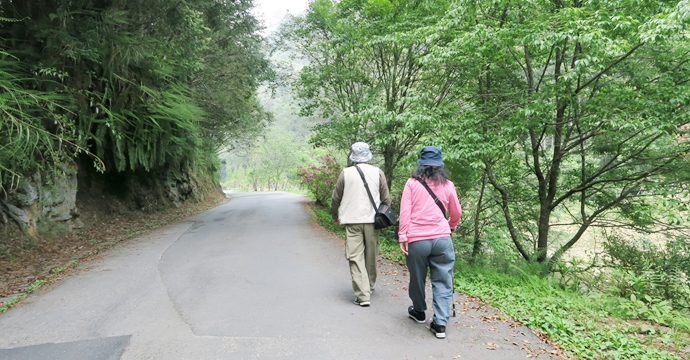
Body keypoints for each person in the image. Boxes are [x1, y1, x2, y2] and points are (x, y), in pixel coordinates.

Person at [398, 146, 462, 339]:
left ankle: (418, 311)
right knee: (443, 279)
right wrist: (450, 226)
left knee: (417, 277)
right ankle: (440, 323)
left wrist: (403, 236)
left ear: (421, 164)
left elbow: (405, 212)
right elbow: (456, 212)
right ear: (440, 166)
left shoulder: (411, 183)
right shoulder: (448, 185)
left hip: (417, 239)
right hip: (442, 238)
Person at [331, 142, 391, 307]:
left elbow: (336, 198)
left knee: (355, 257)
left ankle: (363, 295)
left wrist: (335, 215)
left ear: (353, 157)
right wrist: (384, 218)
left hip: (352, 221)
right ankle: (369, 286)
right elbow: (386, 200)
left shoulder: (345, 173)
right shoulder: (378, 172)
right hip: (373, 221)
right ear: (368, 155)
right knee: (371, 255)